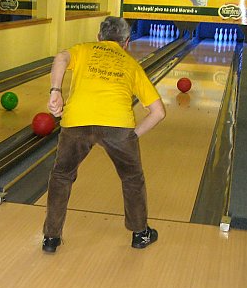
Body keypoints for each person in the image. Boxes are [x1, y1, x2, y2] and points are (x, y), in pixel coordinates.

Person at [42, 16, 166, 253]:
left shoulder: (83, 49)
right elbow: (158, 112)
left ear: (99, 37)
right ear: (126, 42)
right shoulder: (132, 65)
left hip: (77, 121)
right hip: (118, 125)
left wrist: (55, 91)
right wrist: (132, 136)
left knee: (61, 176)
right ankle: (140, 234)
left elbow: (60, 58)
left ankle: (51, 237)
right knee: (132, 179)